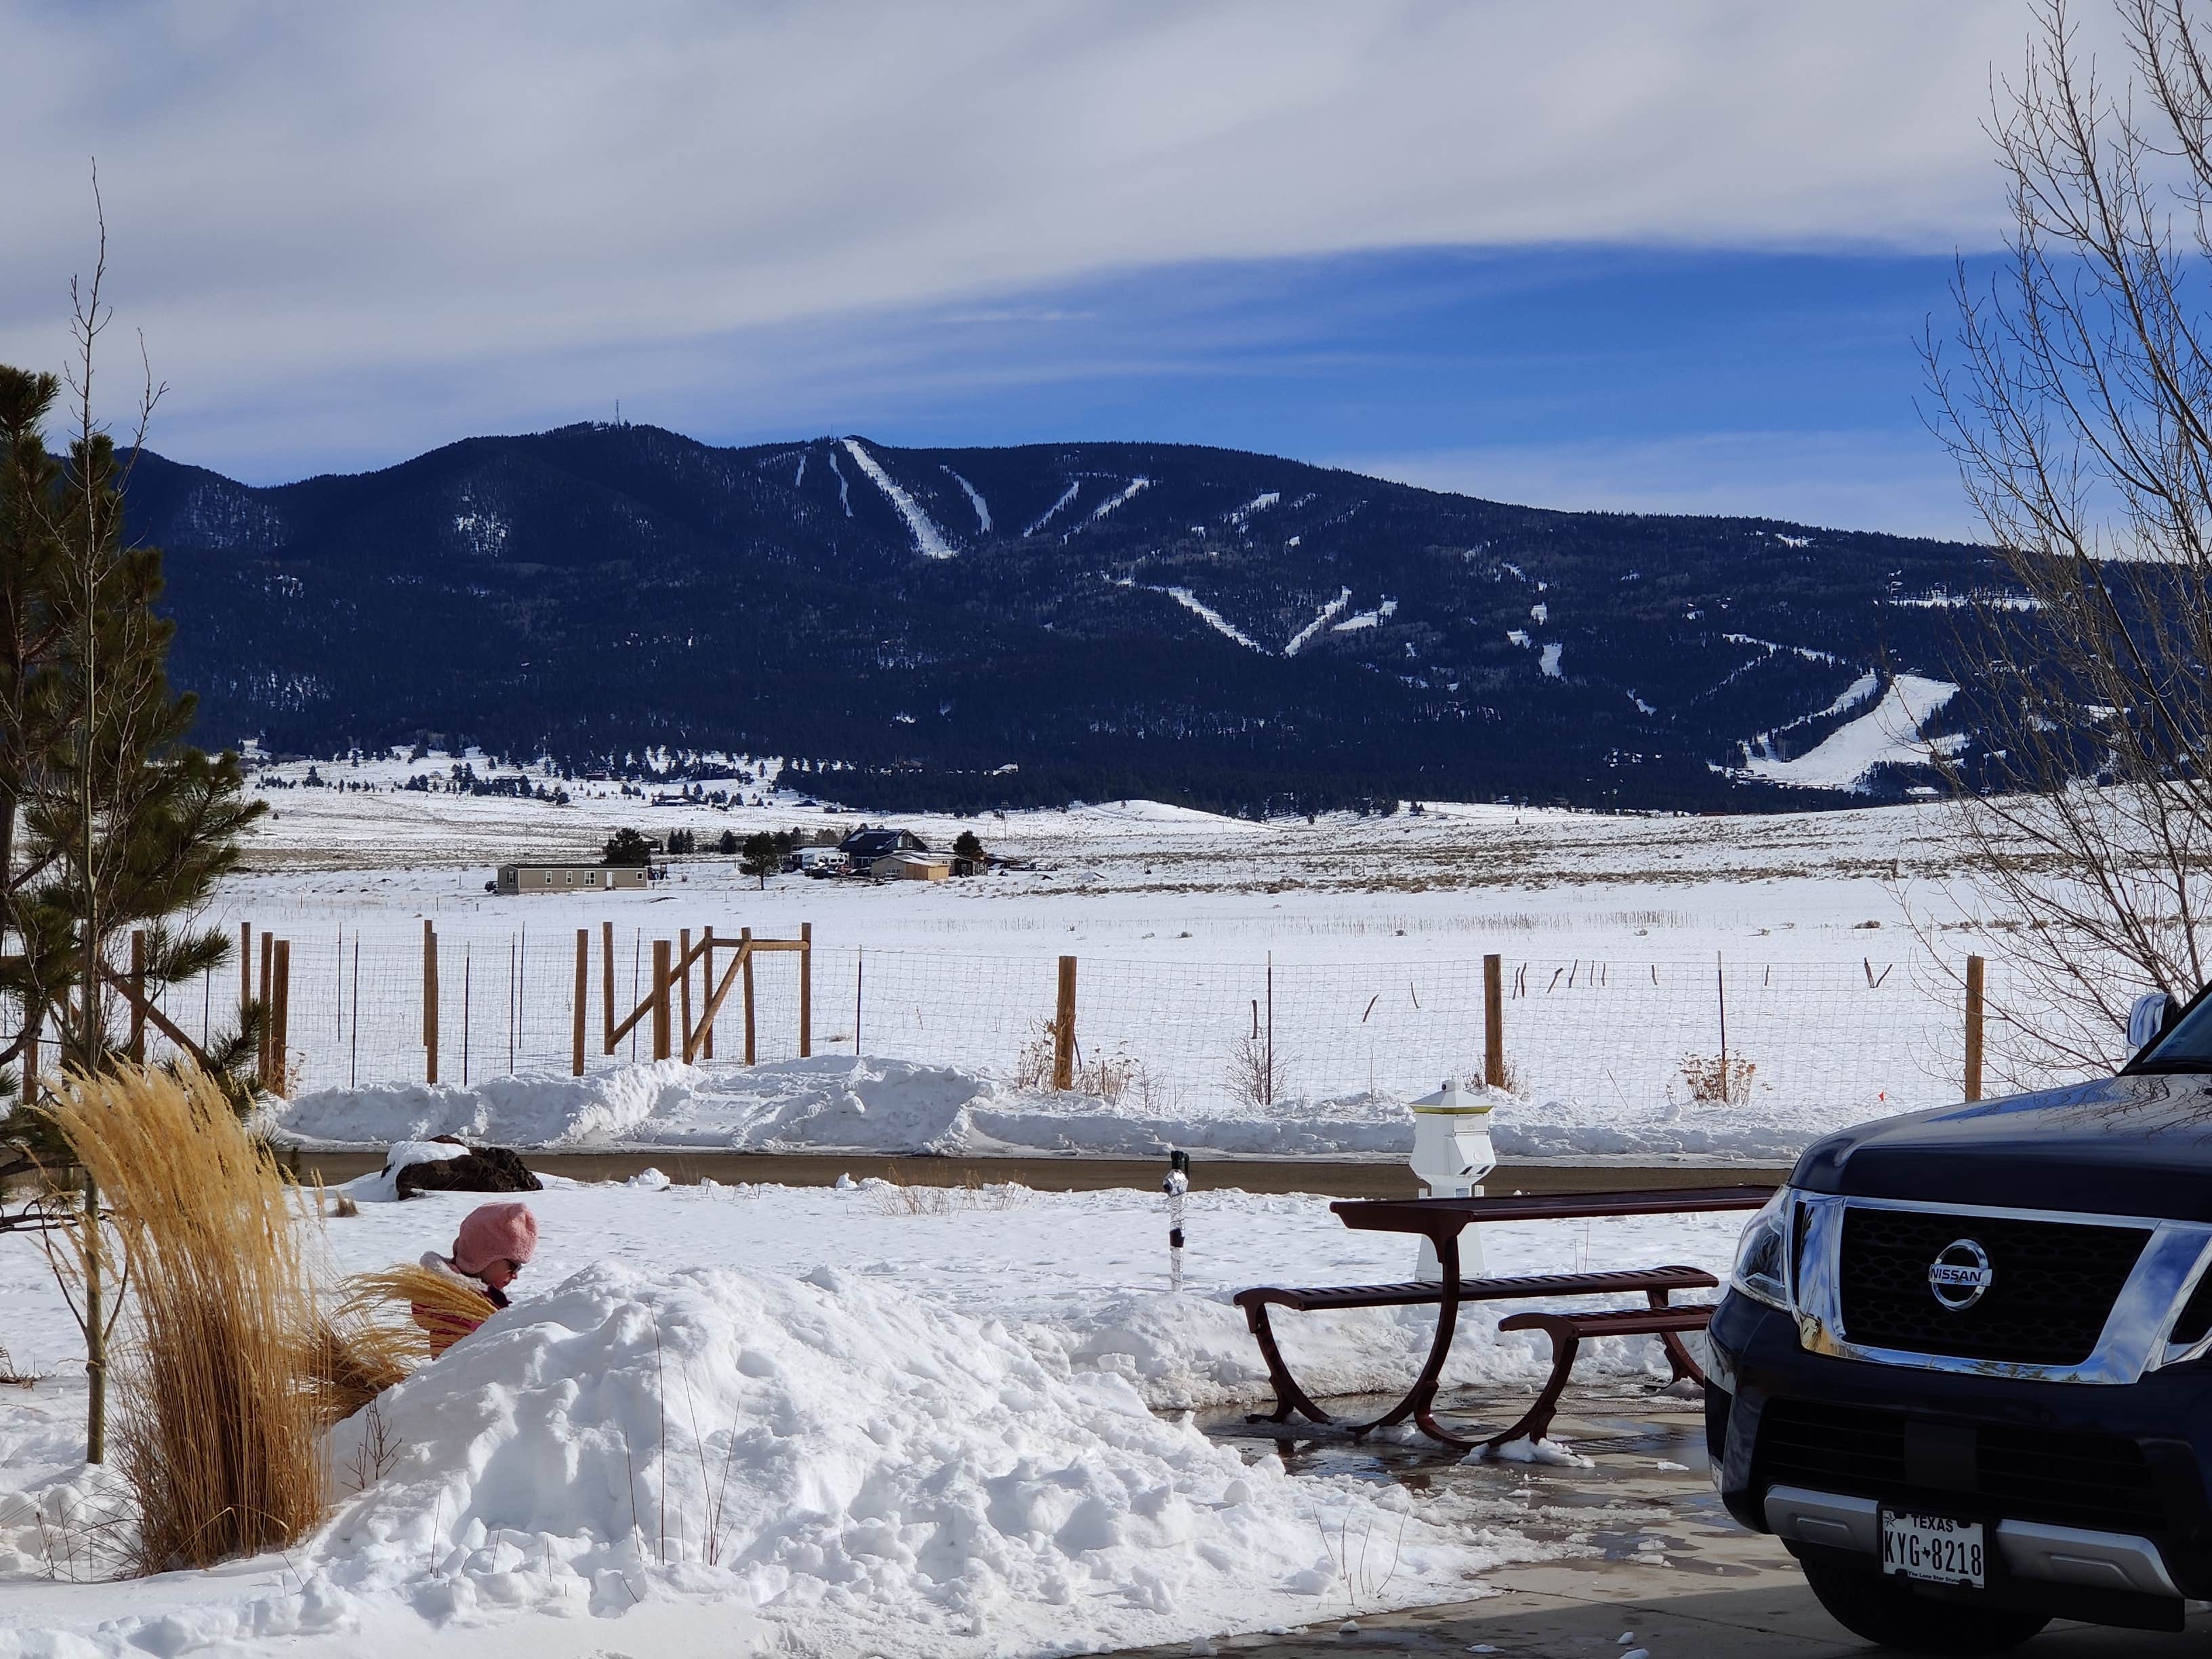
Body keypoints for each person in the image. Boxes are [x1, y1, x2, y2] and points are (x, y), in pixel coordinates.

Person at [412, 1201, 537, 1357]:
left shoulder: (487, 1297)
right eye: (513, 1266)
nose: (516, 1275)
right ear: (482, 1258)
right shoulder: (454, 1307)